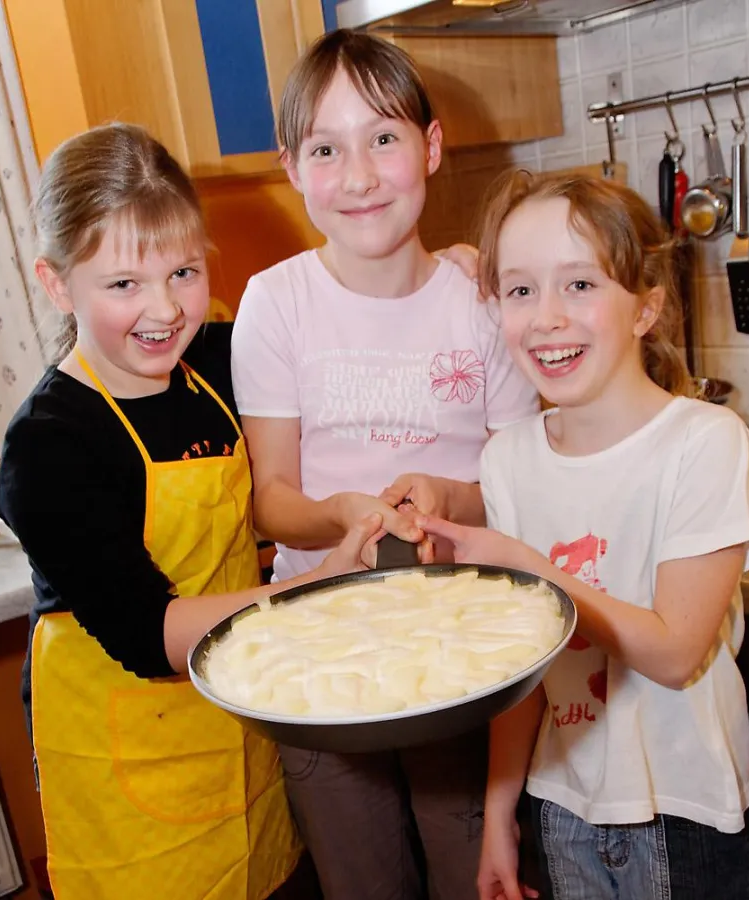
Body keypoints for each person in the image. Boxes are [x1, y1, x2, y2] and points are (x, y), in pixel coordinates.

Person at [0, 122, 381, 900]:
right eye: (123, 284)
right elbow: (150, 635)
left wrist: (457, 271)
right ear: (56, 283)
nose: (165, 309)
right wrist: (316, 590)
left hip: (242, 728)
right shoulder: (50, 444)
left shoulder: (212, 360)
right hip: (127, 769)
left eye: (183, 271)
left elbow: (337, 324)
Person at [230, 28, 538, 900]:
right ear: (293, 168)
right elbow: (271, 499)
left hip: (467, 645)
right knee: (360, 877)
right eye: (326, 149)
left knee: (472, 865)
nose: (359, 175)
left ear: (431, 147)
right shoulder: (275, 303)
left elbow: (520, 486)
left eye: (384, 138)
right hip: (318, 647)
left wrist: (448, 499)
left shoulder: (482, 302)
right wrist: (342, 514)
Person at [414, 170, 749, 900]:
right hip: (561, 803)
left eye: (579, 284)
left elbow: (675, 654)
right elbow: (521, 674)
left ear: (646, 307)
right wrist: (499, 816)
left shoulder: (705, 442)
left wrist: (531, 570)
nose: (546, 317)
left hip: (682, 812)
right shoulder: (508, 460)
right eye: (520, 290)